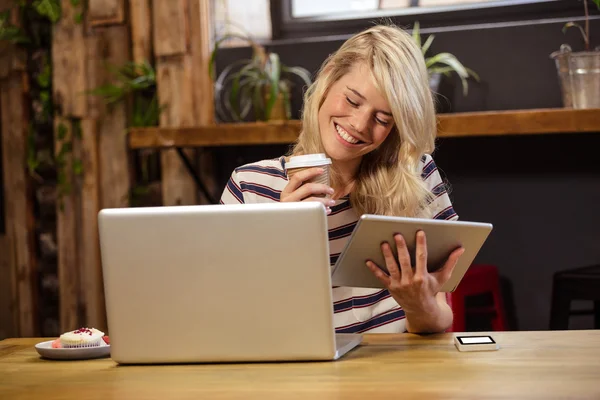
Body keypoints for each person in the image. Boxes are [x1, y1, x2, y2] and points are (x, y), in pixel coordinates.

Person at [219, 24, 464, 334]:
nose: (360, 124)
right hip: (302, 373)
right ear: (329, 78)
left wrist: (419, 304)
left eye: (382, 119)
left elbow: (441, 320)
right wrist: (278, 238)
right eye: (352, 101)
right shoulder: (250, 186)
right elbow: (234, 319)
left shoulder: (414, 175)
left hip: (393, 372)